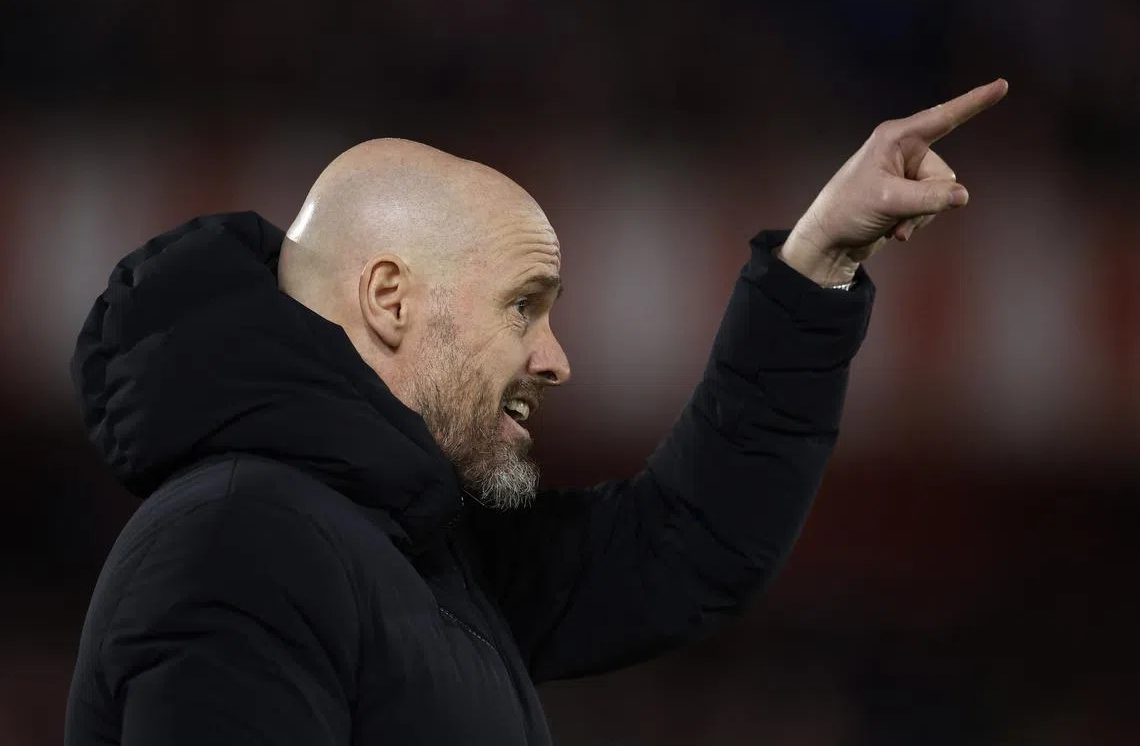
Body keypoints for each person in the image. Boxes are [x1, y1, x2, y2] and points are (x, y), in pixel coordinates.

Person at [64, 80, 1007, 745]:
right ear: (390, 300)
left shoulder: (419, 550)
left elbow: (684, 549)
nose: (557, 359)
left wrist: (818, 262)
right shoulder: (242, 544)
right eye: (525, 305)